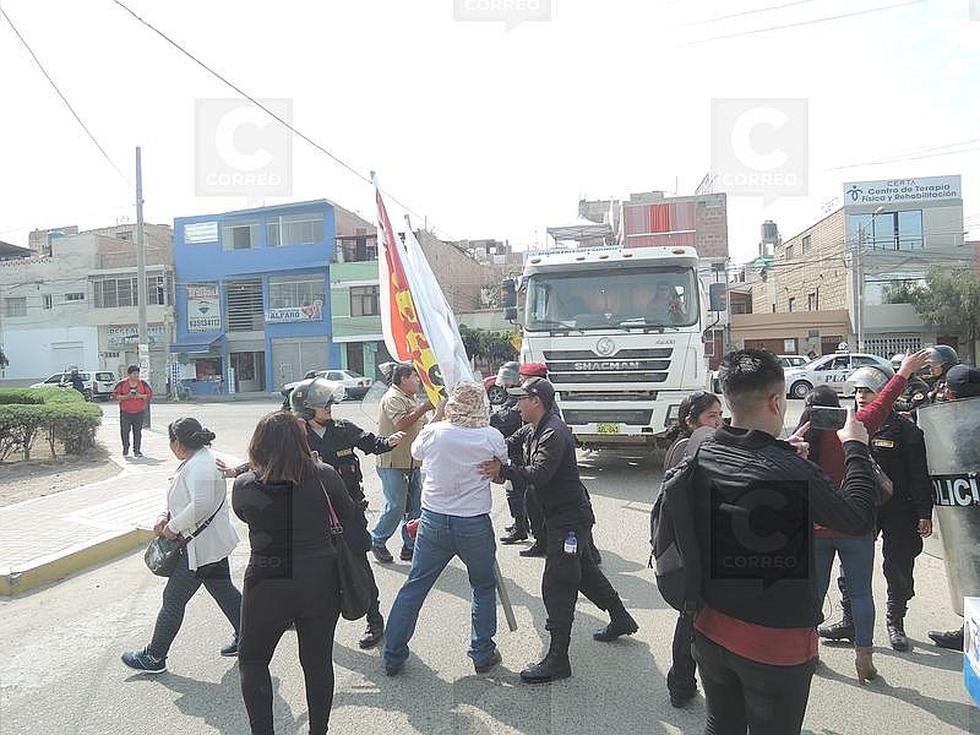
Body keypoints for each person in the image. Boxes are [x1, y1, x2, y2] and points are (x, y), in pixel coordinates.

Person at [690, 349, 876, 734]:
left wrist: (780, 450)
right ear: (777, 402)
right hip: (775, 646)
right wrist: (856, 447)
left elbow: (748, 466)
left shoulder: (703, 450)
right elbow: (857, 518)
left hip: (708, 627)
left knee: (721, 726)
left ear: (729, 399)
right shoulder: (793, 471)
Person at [480, 377, 639, 683]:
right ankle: (621, 617)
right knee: (585, 572)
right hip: (560, 517)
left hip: (569, 521)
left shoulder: (553, 432)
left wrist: (504, 471)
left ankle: (558, 659)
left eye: (521, 399)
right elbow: (508, 443)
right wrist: (480, 441)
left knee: (557, 584)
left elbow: (540, 474)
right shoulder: (533, 428)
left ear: (536, 401)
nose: (516, 406)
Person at [233, 411, 366, 735]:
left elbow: (244, 514)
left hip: (267, 578)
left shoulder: (245, 484)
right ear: (301, 442)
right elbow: (349, 515)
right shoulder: (325, 476)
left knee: (253, 660)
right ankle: (318, 730)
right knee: (317, 662)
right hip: (319, 577)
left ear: (259, 444)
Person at [383, 381, 509, 676]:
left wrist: (437, 415)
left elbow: (416, 452)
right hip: (473, 522)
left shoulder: (435, 432)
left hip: (434, 520)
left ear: (452, 405)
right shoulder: (491, 436)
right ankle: (482, 652)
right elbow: (500, 470)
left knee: (415, 585)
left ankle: (393, 655)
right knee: (483, 585)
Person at [290, 376, 404, 650]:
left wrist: (389, 442)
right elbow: (268, 460)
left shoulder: (343, 429)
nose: (329, 407)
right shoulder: (295, 436)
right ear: (305, 409)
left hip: (349, 513)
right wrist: (238, 471)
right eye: (322, 404)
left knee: (360, 568)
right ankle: (307, 621)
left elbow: (372, 443)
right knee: (314, 573)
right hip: (314, 519)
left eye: (329, 402)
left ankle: (374, 620)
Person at [121, 418, 241, 674]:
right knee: (224, 591)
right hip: (208, 546)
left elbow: (201, 505)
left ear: (177, 442)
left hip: (199, 548)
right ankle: (248, 637)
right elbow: (182, 498)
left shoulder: (201, 465)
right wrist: (163, 516)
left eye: (170, 441)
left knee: (173, 600)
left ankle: (155, 656)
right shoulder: (199, 460)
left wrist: (173, 527)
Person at [661, 389, 724, 708]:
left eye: (720, 415)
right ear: (690, 421)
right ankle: (680, 683)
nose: (719, 422)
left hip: (686, 550)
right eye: (711, 416)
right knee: (690, 618)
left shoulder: (690, 445)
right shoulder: (689, 450)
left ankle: (681, 682)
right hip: (688, 553)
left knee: (690, 619)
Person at [927, 360, 980, 650]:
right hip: (968, 512)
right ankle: (970, 630)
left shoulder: (969, 425)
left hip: (973, 511)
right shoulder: (957, 422)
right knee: (974, 572)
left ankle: (971, 633)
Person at [371, 363, 432, 564]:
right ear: (404, 379)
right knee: (396, 506)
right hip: (393, 462)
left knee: (415, 507)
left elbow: (423, 427)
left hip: (411, 462)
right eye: (414, 377)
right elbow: (401, 423)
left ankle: (410, 545)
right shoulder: (393, 398)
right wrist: (425, 407)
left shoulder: (410, 398)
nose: (418, 381)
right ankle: (377, 540)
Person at [490, 361, 529, 544]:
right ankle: (523, 523)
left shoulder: (519, 396)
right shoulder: (516, 395)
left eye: (506, 380)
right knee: (519, 490)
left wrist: (490, 418)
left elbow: (507, 418)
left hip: (518, 452)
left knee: (514, 491)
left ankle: (520, 527)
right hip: (517, 450)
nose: (504, 385)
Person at [112, 365, 152, 457]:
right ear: (129, 374)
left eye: (137, 373)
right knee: (125, 431)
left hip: (139, 412)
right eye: (134, 374)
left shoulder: (143, 383)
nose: (136, 375)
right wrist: (127, 396)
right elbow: (115, 396)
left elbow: (149, 395)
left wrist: (140, 396)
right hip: (125, 412)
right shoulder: (122, 384)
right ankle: (125, 448)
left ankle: (137, 450)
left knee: (137, 432)